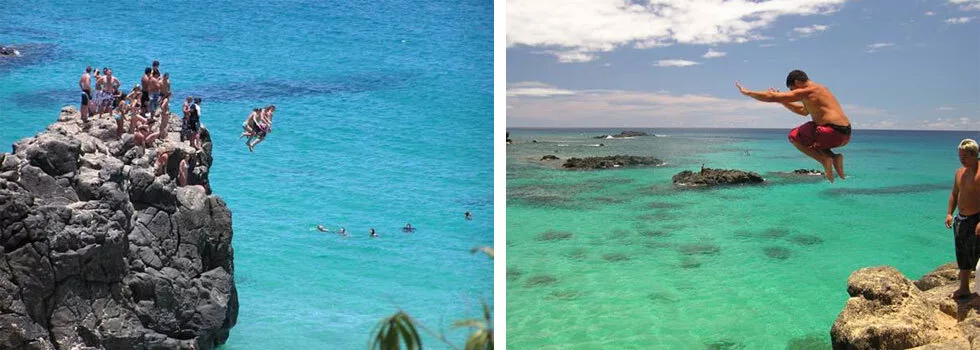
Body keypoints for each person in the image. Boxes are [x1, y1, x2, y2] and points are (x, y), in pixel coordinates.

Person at [735, 70, 851, 183]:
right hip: (844, 134)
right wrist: (783, 100)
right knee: (810, 134)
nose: (792, 92)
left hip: (831, 132)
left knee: (794, 135)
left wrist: (748, 92)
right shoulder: (820, 90)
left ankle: (824, 160)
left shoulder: (807, 90)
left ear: (796, 82)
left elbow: (771, 97)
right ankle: (834, 157)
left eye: (792, 90)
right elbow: (803, 111)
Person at [946, 139, 980, 299]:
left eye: (965, 156)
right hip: (961, 219)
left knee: (978, 256)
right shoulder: (959, 172)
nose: (961, 159)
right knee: (962, 254)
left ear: (975, 155)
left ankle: (978, 293)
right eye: (960, 156)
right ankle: (964, 288)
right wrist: (949, 213)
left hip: (977, 218)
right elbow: (954, 193)